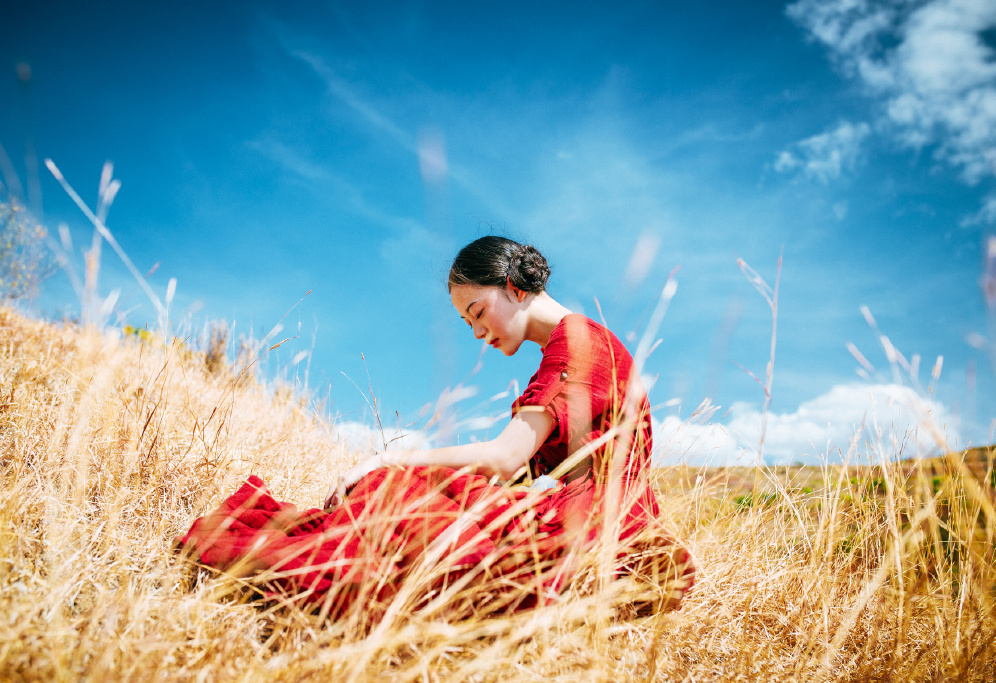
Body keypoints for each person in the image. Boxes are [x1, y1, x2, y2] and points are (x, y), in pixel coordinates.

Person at [176, 236, 694, 620]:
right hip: (611, 518)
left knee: (393, 490)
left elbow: (504, 459)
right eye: (468, 324)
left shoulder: (578, 346)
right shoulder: (576, 343)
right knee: (416, 505)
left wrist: (387, 458)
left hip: (597, 524)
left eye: (477, 311)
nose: (478, 332)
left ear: (514, 289)